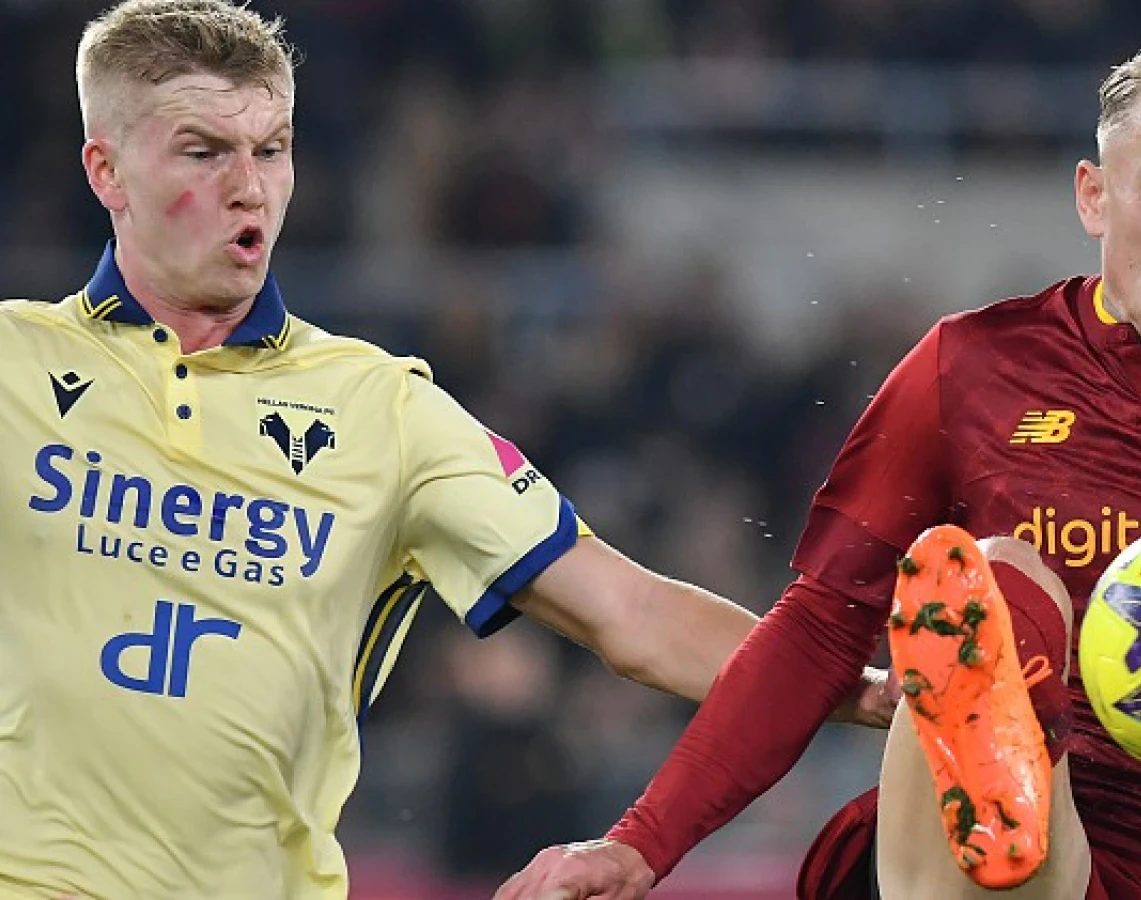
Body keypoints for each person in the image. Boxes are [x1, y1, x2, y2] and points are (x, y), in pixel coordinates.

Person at [505, 30, 1141, 900]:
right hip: (1014, 846)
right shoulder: (971, 367)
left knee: (995, 593)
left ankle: (1006, 787)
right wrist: (642, 842)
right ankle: (1006, 786)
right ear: (1093, 196)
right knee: (989, 587)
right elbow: (819, 626)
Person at [0, 2, 896, 897]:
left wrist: (850, 686)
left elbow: (632, 614)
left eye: (272, 150)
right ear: (105, 169)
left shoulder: (383, 409)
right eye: (204, 152)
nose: (251, 187)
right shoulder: (14, 365)